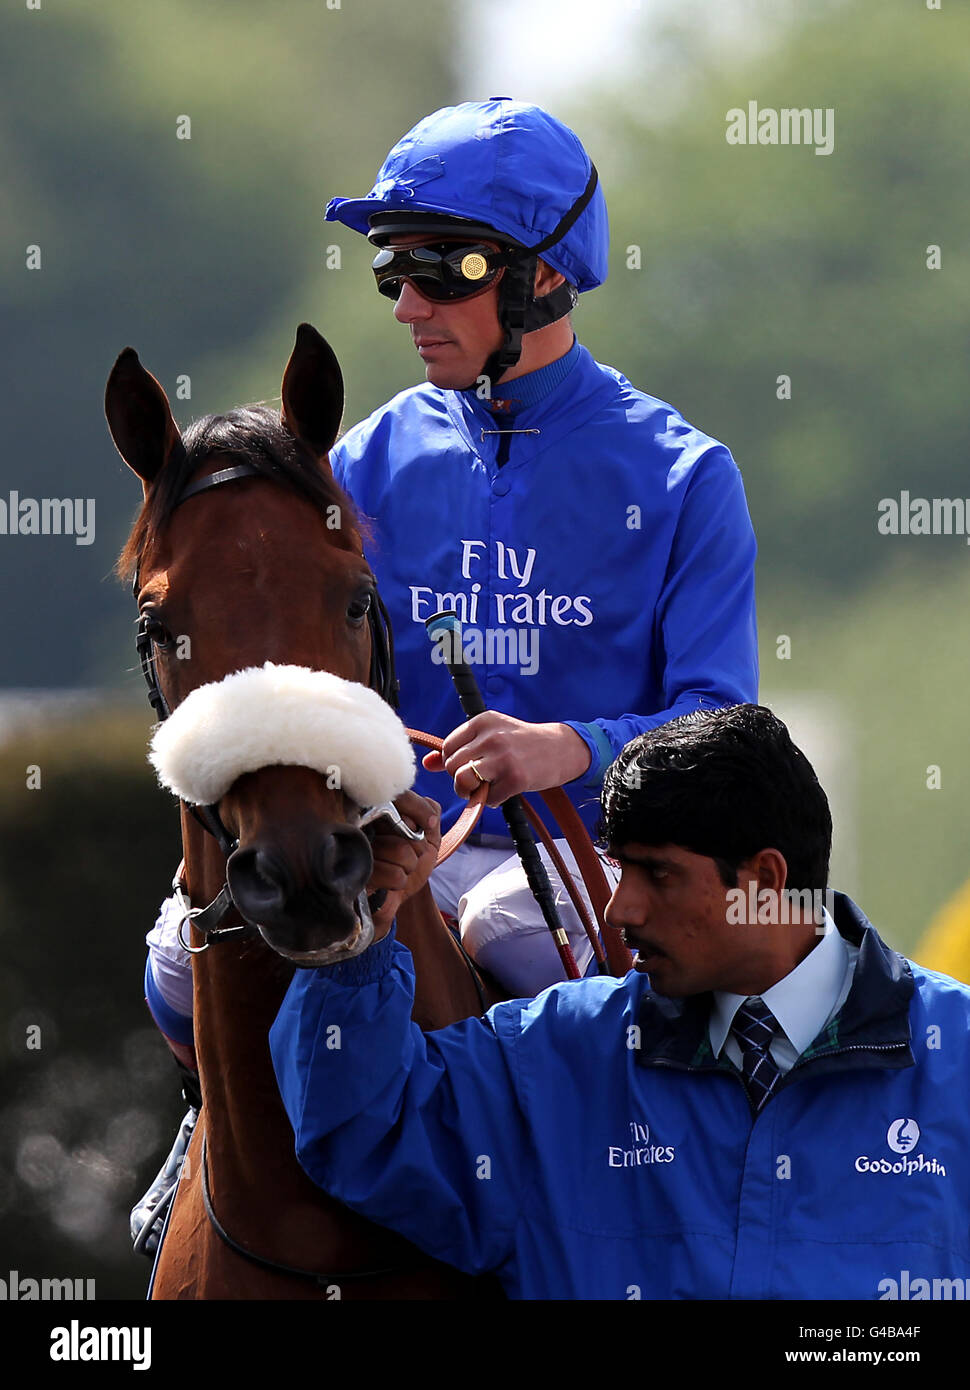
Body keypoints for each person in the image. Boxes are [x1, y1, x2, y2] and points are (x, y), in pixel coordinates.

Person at [269, 704, 970, 1300]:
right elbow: (361, 1132)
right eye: (621, 868)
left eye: (657, 875)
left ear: (765, 879)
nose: (620, 906)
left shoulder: (957, 1055)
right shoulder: (551, 1056)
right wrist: (354, 937)